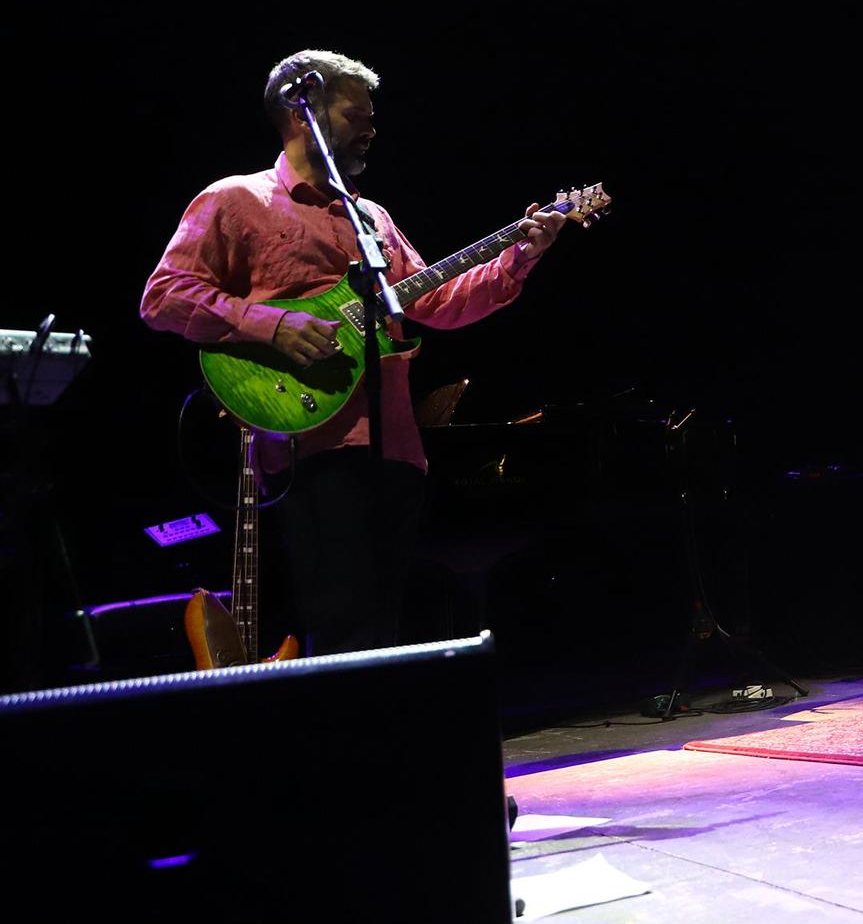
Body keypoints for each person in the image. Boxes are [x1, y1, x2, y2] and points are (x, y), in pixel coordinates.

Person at [141, 50, 566, 653]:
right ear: (301, 111)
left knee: (385, 619)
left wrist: (521, 255)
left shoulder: (371, 218)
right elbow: (163, 297)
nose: (371, 126)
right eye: (355, 113)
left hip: (395, 442)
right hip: (309, 436)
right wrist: (270, 323)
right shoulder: (234, 200)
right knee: (341, 617)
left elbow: (438, 303)